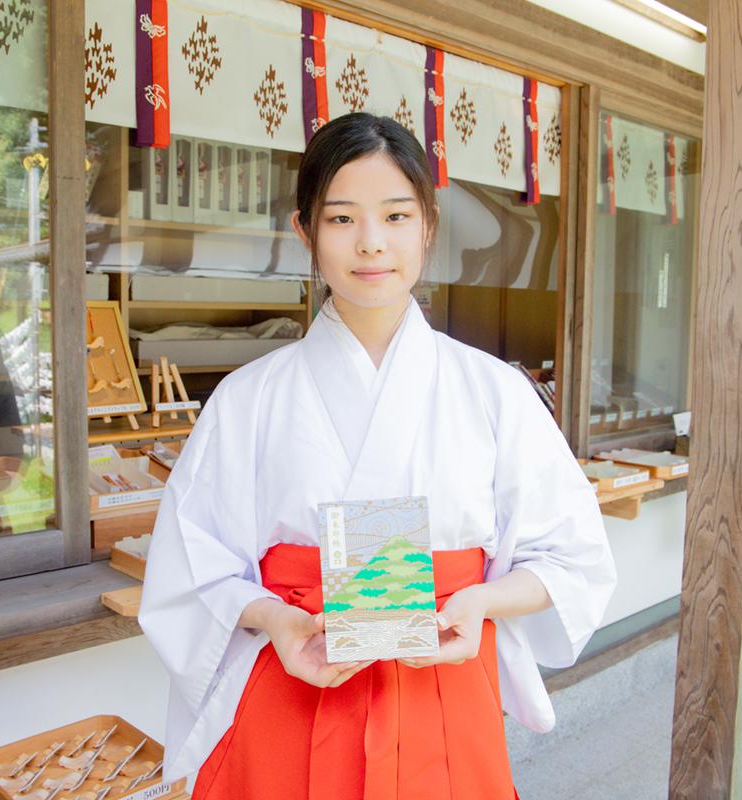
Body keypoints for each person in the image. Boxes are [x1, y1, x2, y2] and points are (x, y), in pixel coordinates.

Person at [139, 113, 616, 799]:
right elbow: (191, 566)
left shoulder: (493, 391)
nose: (370, 244)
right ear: (305, 231)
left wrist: (480, 601)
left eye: (395, 216)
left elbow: (574, 559)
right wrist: (277, 617)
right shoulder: (247, 400)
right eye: (340, 220)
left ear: (427, 226)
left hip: (441, 694)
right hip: (294, 686)